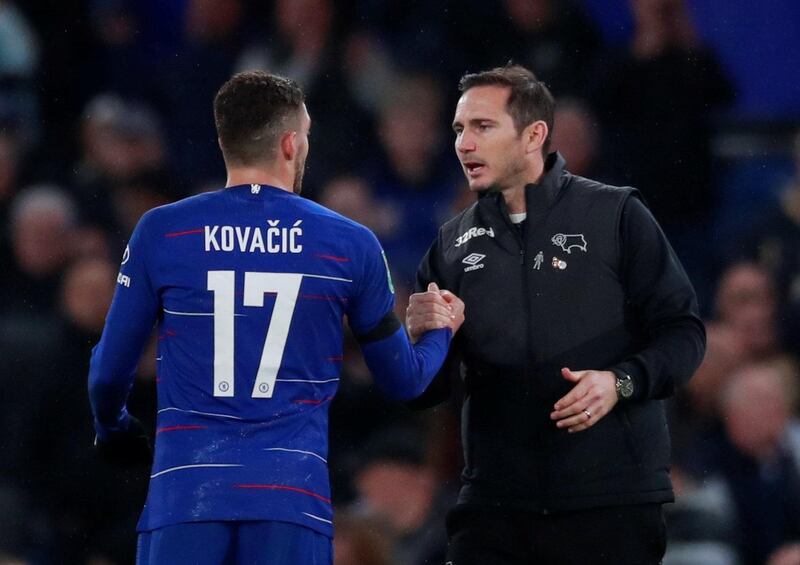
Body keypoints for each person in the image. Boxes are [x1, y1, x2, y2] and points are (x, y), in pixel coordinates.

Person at [88, 70, 464, 565]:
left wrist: (114, 428)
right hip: (290, 504)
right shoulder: (348, 245)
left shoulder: (164, 231)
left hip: (186, 498)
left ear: (224, 140)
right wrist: (439, 330)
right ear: (290, 143)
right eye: (305, 136)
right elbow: (405, 382)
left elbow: (108, 372)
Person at [405, 64, 706, 564]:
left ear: (534, 135)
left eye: (482, 127)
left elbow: (684, 333)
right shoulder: (450, 245)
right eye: (459, 129)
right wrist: (424, 340)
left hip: (608, 501)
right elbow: (429, 391)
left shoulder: (616, 215)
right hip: (495, 508)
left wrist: (620, 382)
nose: (463, 144)